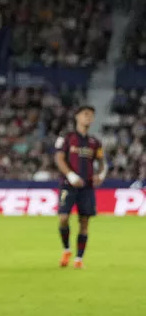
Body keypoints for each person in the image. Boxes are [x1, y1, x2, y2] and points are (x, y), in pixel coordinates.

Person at [55, 105, 105, 269]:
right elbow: (59, 158)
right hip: (68, 185)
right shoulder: (67, 137)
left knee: (84, 222)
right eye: (85, 114)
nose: (88, 118)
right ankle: (66, 249)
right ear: (77, 116)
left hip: (87, 187)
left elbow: (102, 163)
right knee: (63, 218)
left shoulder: (95, 142)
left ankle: (78, 259)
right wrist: (70, 175)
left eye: (91, 115)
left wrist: (100, 175)